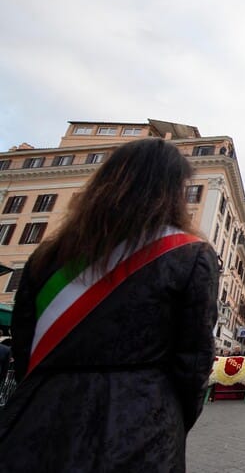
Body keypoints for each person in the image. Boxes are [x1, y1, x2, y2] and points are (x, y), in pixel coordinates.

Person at [0, 138, 219, 471]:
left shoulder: (46, 258)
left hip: (42, 414)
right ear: (173, 192)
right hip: (141, 421)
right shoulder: (190, 255)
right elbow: (194, 360)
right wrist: (170, 418)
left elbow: (24, 345)